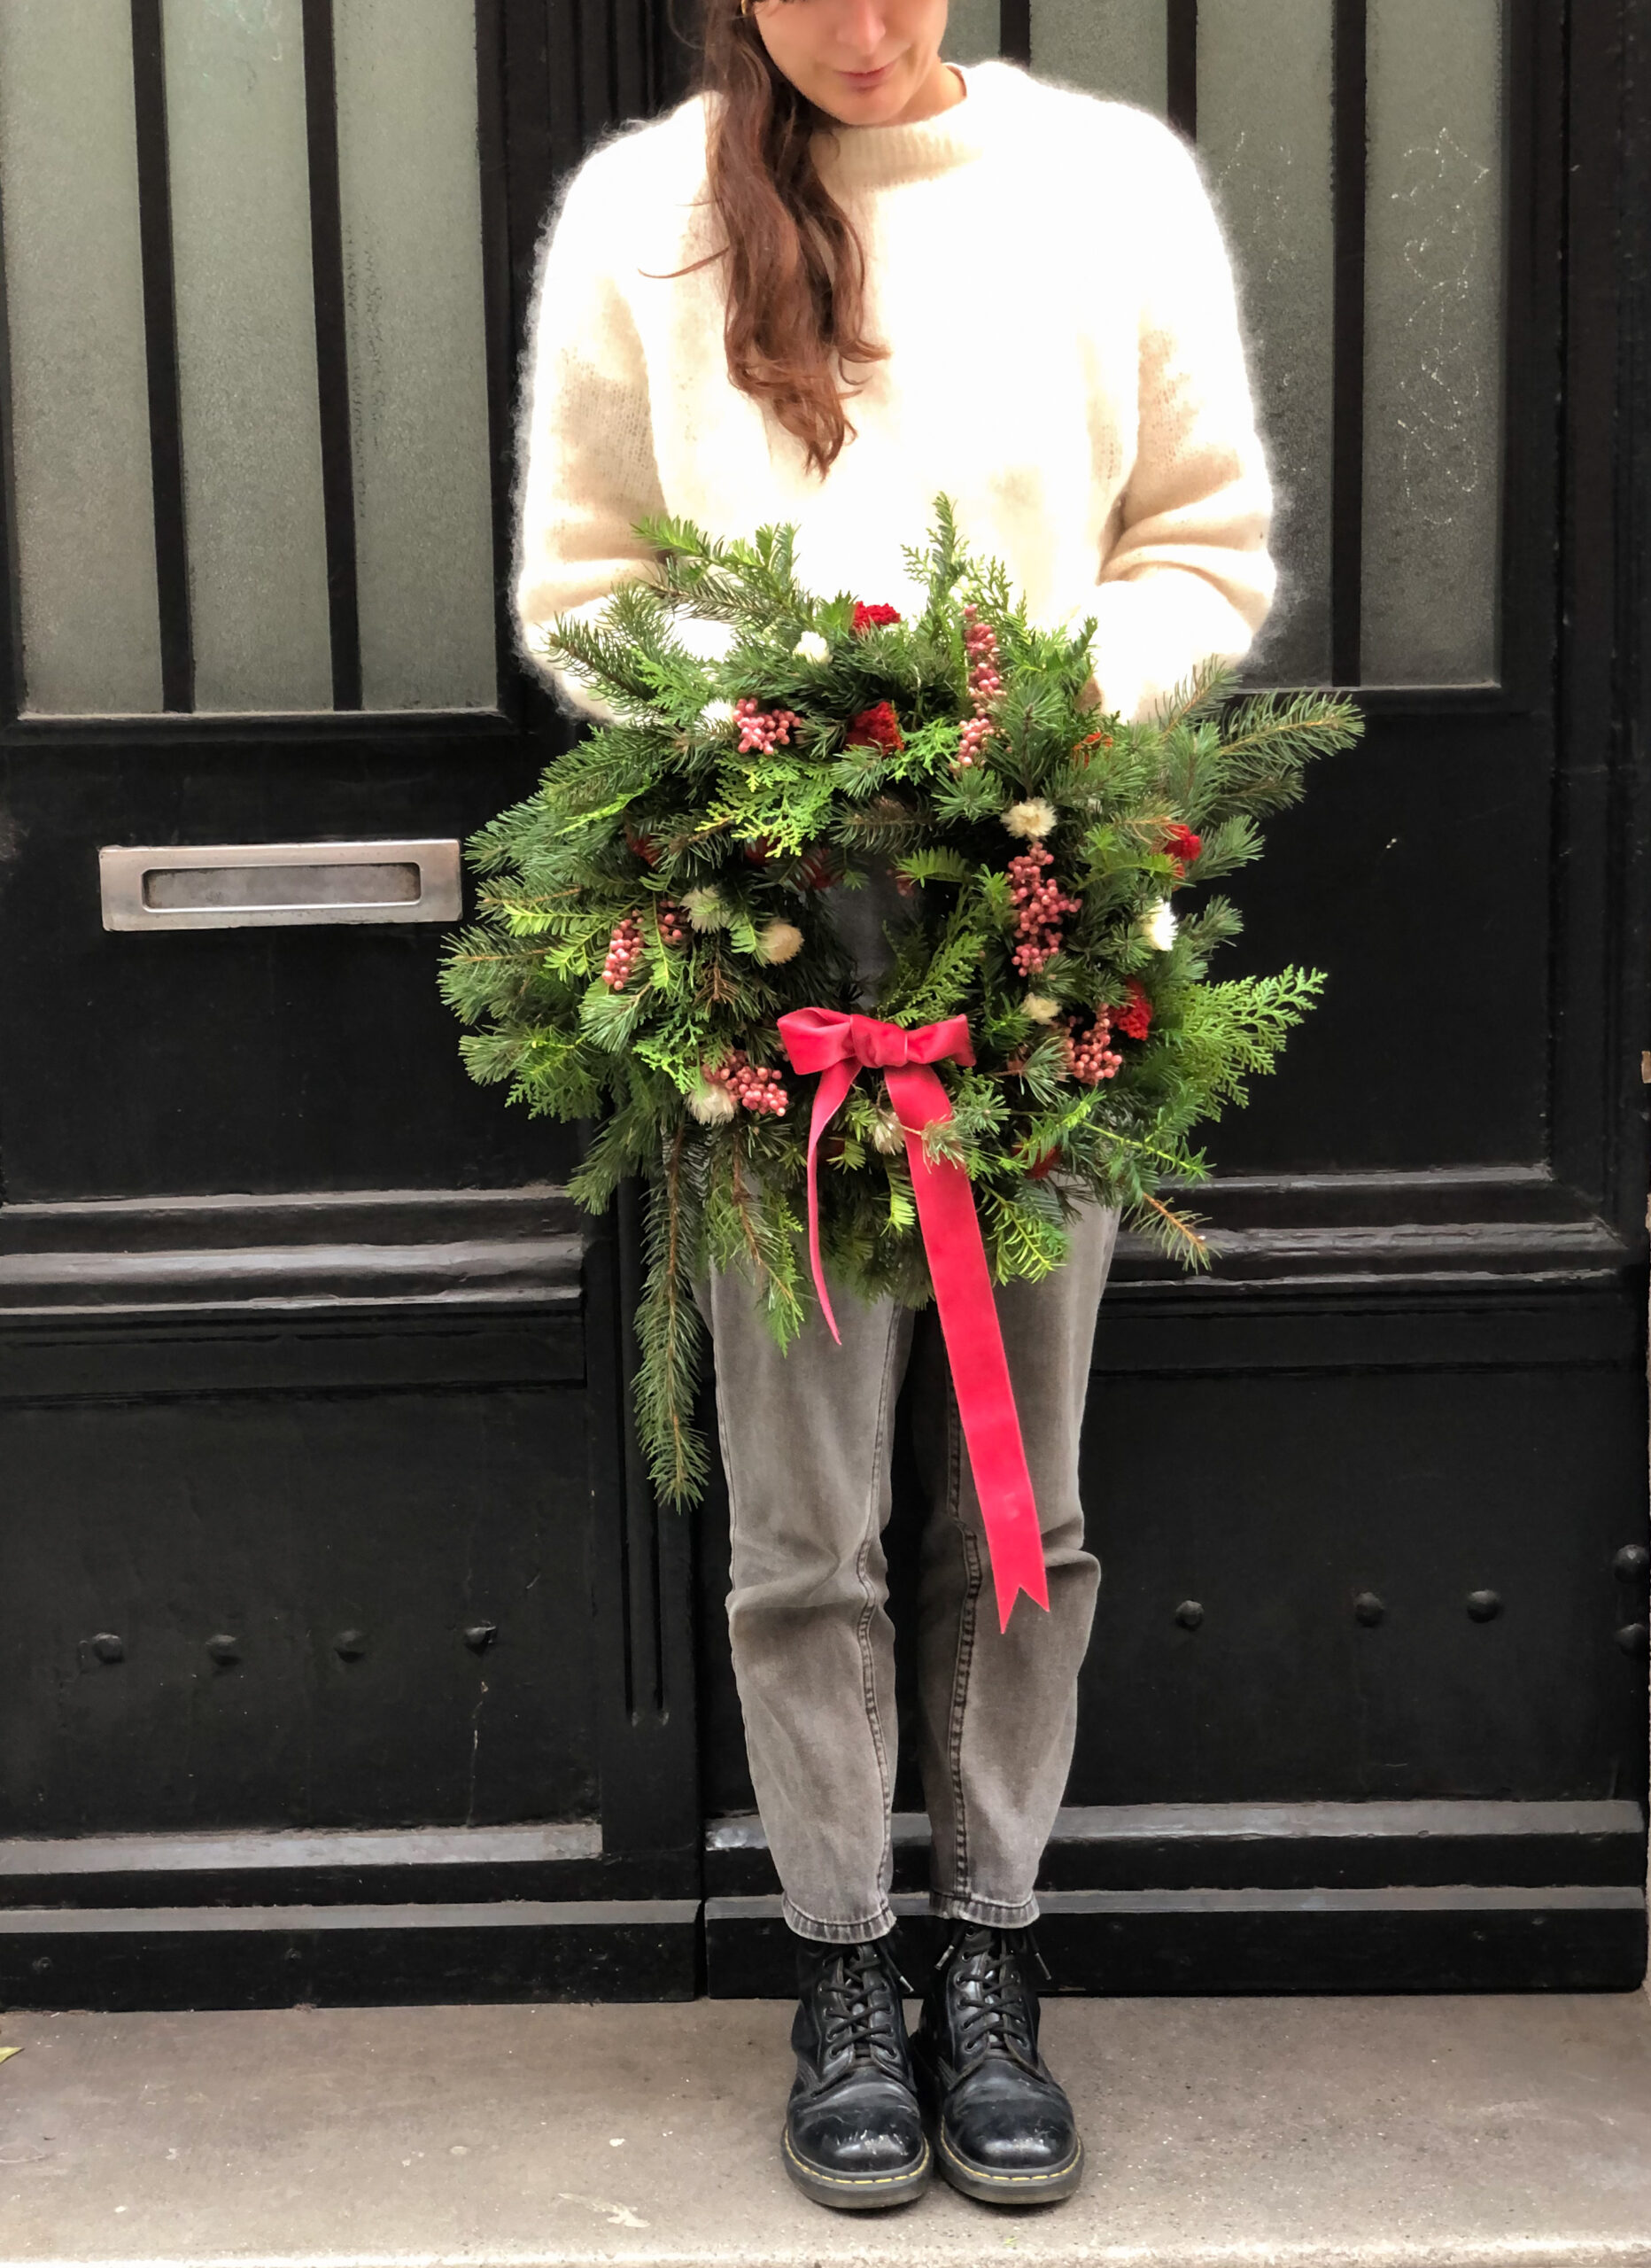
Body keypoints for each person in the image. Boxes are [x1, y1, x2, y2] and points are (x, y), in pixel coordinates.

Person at [515, 0, 1275, 2214]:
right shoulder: (644, 223)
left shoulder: (1101, 190)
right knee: (801, 1509)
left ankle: (992, 1950)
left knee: (1019, 1488)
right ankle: (843, 1956)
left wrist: (1023, 720)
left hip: (1040, 916)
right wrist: (770, 750)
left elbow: (1195, 544)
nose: (862, 21)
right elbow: (588, 587)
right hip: (760, 949)